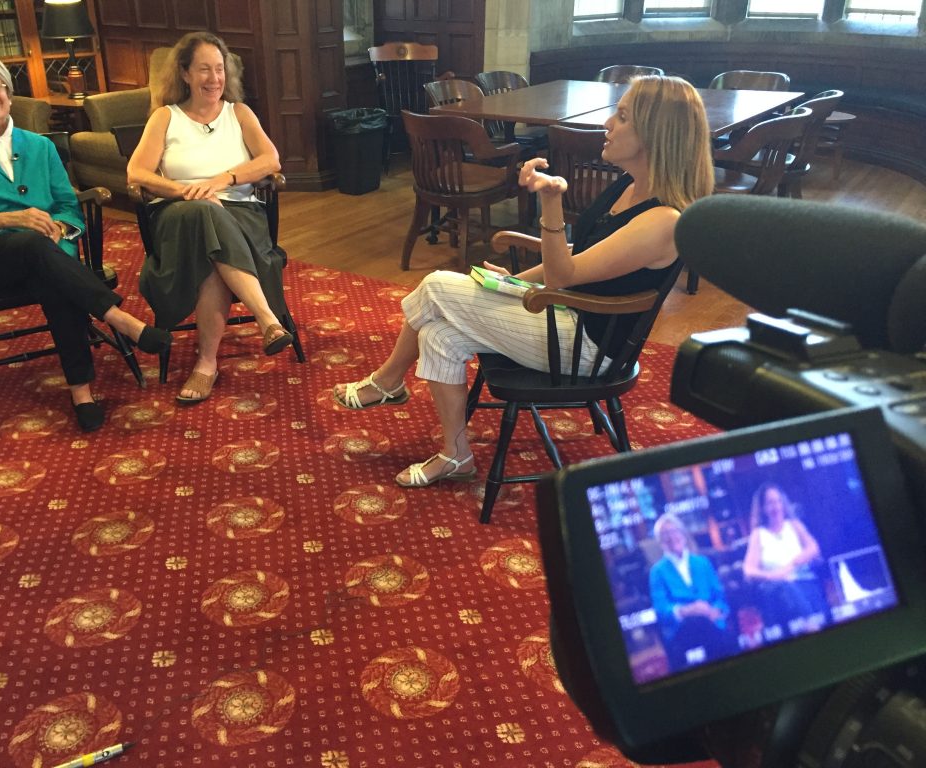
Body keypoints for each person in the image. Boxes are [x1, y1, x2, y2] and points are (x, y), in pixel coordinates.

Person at [333, 75, 714, 487]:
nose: (607, 123)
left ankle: (388, 381)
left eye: (622, 117)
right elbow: (575, 262)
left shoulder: (663, 221)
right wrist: (513, 282)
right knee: (439, 335)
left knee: (438, 285)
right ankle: (456, 455)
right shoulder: (628, 185)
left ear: (655, 132)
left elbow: (564, 273)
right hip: (567, 314)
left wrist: (550, 202)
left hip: (589, 347)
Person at [0, 51, 172, 433]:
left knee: (52, 273)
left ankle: (81, 391)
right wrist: (6, 218)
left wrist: (62, 226)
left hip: (44, 254)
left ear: (9, 93)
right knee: (34, 248)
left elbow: (66, 204)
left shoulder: (39, 147)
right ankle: (118, 318)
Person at [127, 31, 292, 406]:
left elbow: (271, 161)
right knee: (202, 214)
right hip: (177, 215)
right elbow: (137, 173)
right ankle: (267, 319)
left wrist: (222, 180)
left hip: (238, 214)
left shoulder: (240, 113)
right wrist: (189, 191)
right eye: (204, 69)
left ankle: (206, 364)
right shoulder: (164, 117)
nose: (213, 79)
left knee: (210, 248)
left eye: (219, 69)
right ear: (185, 73)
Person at [647, 513, 733, 671]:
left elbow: (720, 596)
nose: (672, 537)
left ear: (683, 534)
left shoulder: (702, 562)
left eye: (674, 531)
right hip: (682, 630)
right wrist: (688, 611)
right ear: (660, 542)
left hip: (713, 621)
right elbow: (661, 610)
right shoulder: (657, 572)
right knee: (700, 625)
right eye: (665, 534)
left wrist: (715, 611)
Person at [743, 482, 827, 635]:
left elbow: (813, 548)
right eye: (770, 503)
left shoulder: (794, 525)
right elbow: (748, 570)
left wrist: (793, 563)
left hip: (803, 581)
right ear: (762, 508)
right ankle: (811, 626)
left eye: (777, 501)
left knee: (802, 590)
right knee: (786, 587)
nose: (775, 507)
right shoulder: (758, 534)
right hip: (777, 590)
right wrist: (773, 575)